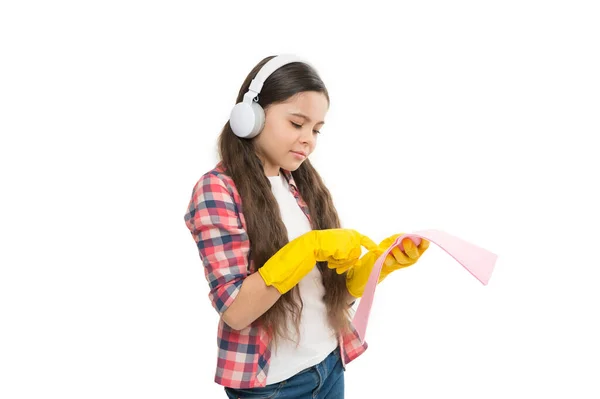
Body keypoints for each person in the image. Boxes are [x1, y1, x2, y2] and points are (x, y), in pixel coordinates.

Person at [183, 54, 429, 398]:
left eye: (316, 129)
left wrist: (378, 264)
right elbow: (236, 311)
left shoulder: (300, 183)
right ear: (249, 117)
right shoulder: (217, 190)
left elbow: (328, 290)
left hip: (329, 363)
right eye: (297, 124)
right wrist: (309, 246)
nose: (308, 140)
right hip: (275, 385)